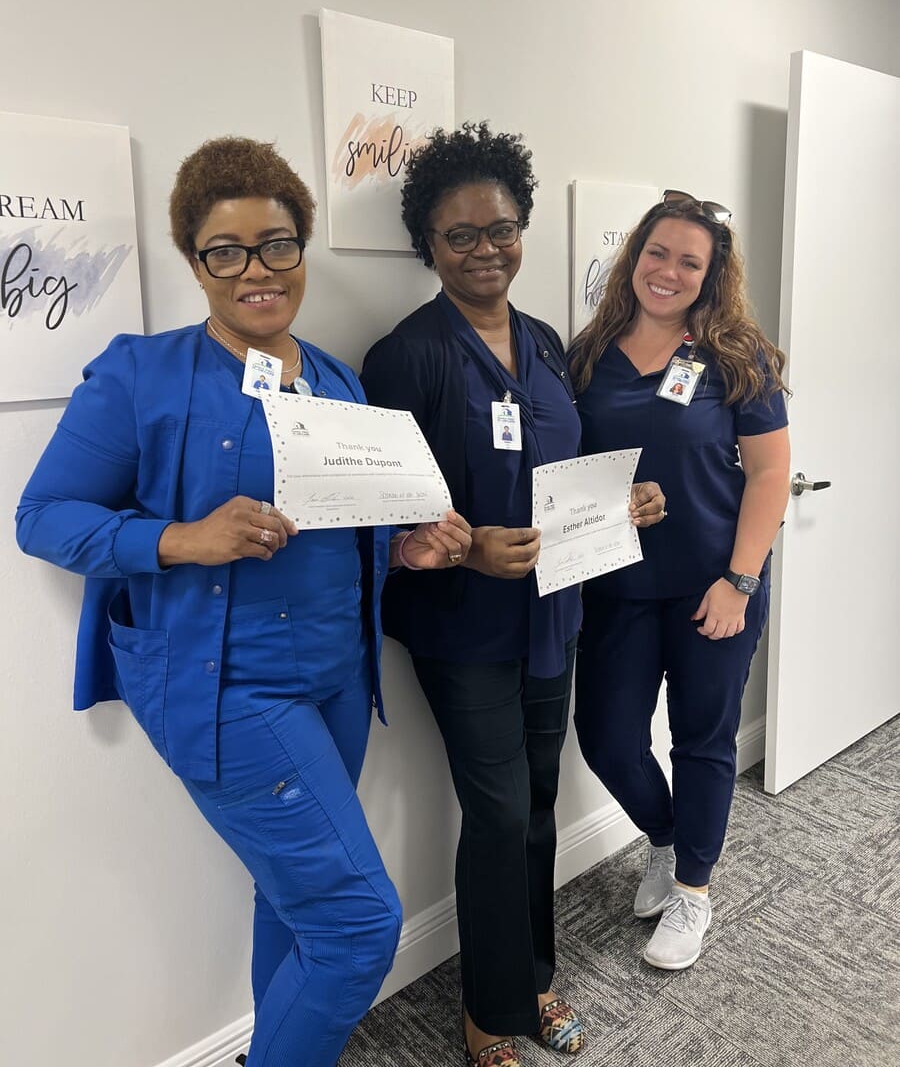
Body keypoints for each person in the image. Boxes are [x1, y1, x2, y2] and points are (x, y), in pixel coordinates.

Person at [15, 136, 472, 1067]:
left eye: (277, 245)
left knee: (293, 898)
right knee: (357, 926)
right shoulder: (140, 374)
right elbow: (41, 517)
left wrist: (411, 547)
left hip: (339, 684)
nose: (255, 270)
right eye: (226, 250)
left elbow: (357, 532)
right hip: (229, 692)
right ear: (195, 261)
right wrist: (181, 538)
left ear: (302, 250)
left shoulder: (341, 384)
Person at [361, 122, 665, 1067]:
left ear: (522, 227)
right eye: (461, 236)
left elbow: (564, 469)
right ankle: (490, 1013)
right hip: (463, 630)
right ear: (430, 247)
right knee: (496, 813)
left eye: (502, 228)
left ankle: (535, 977)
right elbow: (379, 512)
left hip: (554, 615)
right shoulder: (404, 356)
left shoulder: (542, 343)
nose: (486, 249)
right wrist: (461, 550)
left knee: (536, 802)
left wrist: (625, 503)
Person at [569, 189, 791, 972]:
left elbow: (769, 476)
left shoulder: (736, 356)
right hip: (615, 585)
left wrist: (740, 579)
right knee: (608, 739)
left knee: (703, 740)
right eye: (657, 253)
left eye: (688, 261)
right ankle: (665, 837)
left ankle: (693, 890)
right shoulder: (588, 355)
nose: (667, 272)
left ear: (710, 275)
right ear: (635, 257)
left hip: (712, 588)